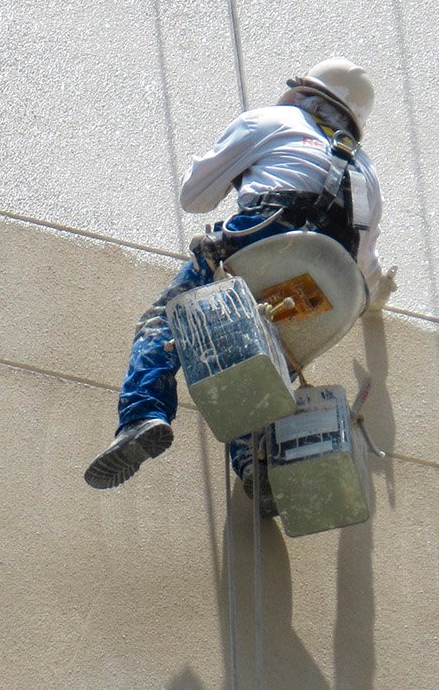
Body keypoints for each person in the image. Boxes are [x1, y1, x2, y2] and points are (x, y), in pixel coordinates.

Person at [84, 58, 390, 515]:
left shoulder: (272, 120)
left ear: (304, 93)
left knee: (162, 324)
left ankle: (143, 415)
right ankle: (257, 468)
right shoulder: (368, 173)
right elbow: (367, 268)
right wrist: (378, 298)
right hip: (329, 292)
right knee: (260, 363)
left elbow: (195, 195)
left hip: (263, 248)